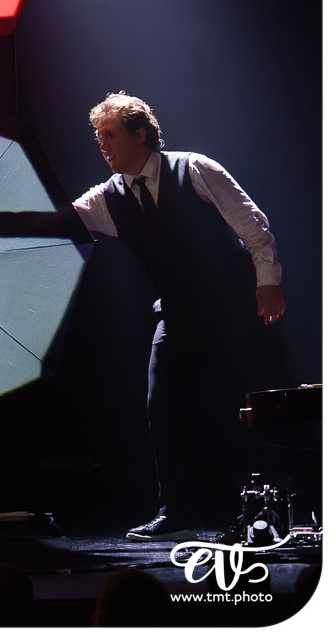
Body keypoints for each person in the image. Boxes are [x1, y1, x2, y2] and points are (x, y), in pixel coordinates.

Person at [72, 92, 284, 542]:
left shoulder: (195, 169)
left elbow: (251, 223)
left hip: (228, 306)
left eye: (110, 134)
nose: (102, 144)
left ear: (139, 135)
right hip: (176, 314)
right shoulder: (108, 197)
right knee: (162, 407)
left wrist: (268, 281)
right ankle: (177, 512)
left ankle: (248, 512)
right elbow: (59, 220)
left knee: (229, 407)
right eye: (98, 136)